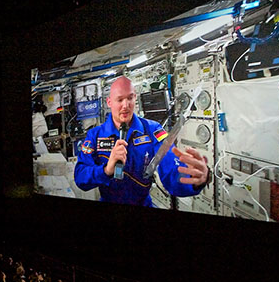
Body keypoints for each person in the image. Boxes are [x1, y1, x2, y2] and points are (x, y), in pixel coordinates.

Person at [74, 76, 210, 206]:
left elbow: (170, 169)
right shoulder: (95, 135)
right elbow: (80, 177)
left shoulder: (153, 130)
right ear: (109, 102)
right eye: (120, 100)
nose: (125, 105)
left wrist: (194, 180)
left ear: (135, 98)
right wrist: (106, 170)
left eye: (130, 98)